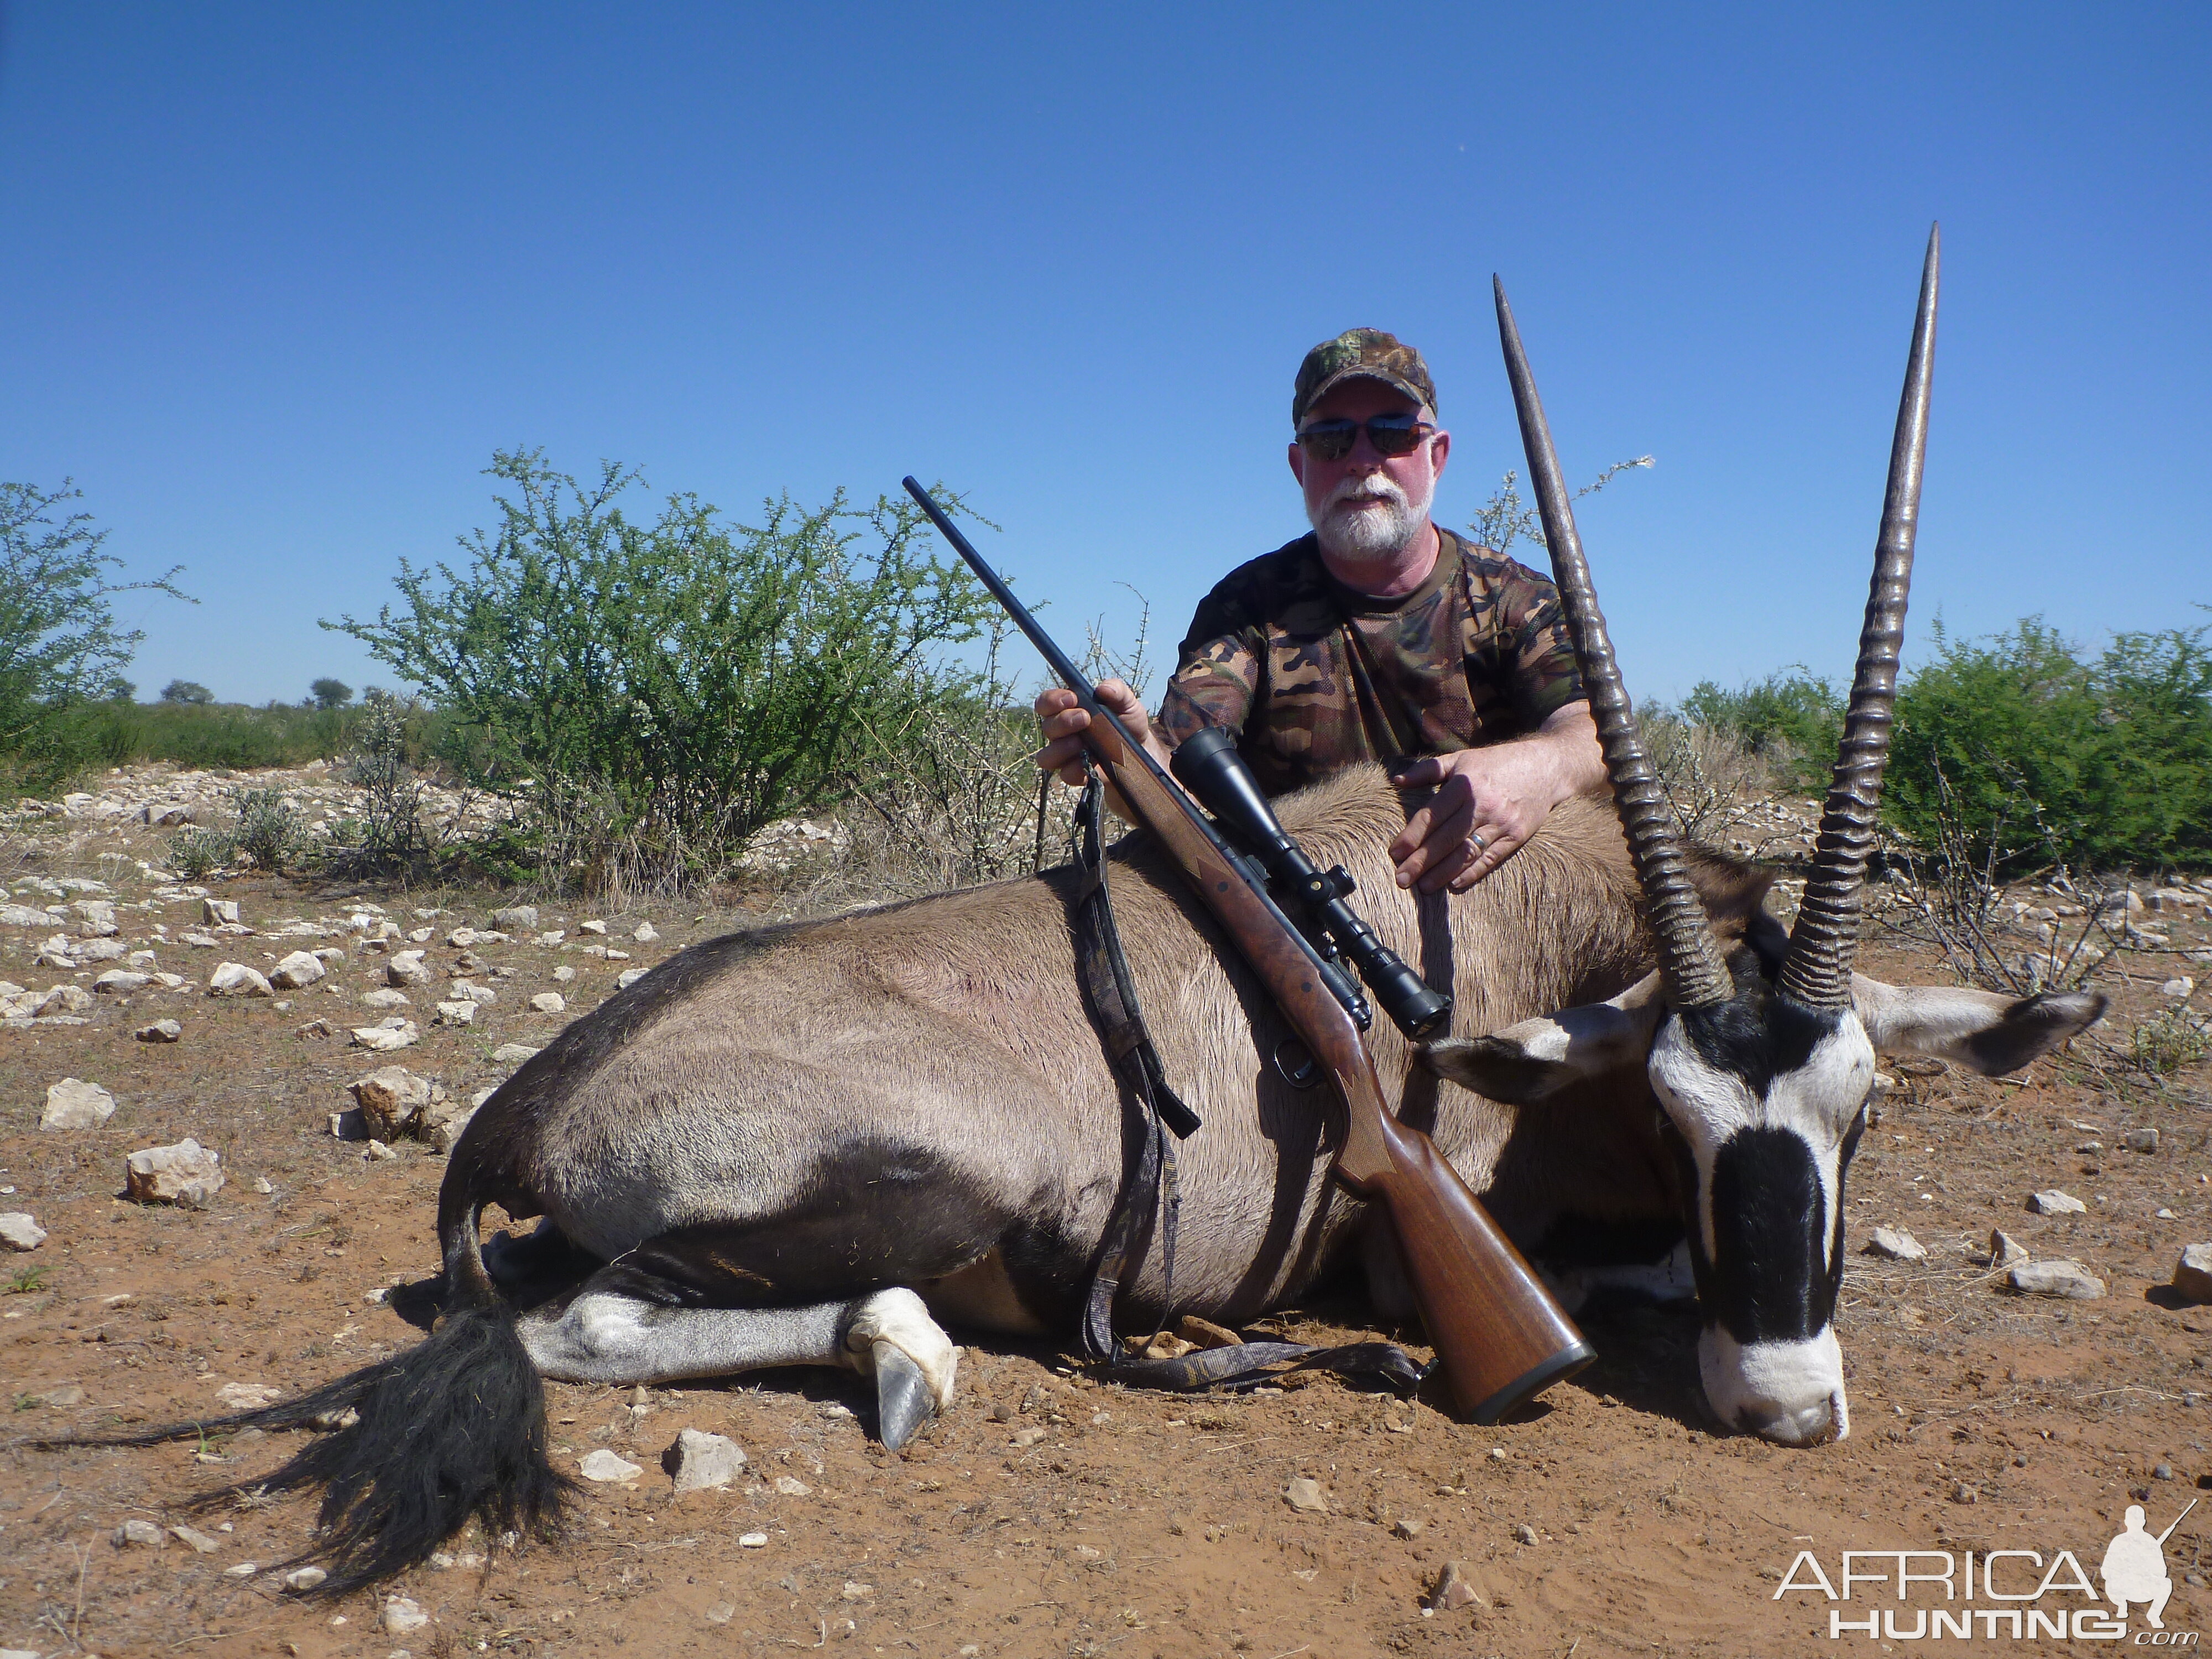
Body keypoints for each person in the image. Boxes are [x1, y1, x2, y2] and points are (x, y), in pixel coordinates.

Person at [1036, 327, 1605, 894]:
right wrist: (1131, 761)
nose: (1362, 460)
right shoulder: (1246, 606)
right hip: (1306, 912)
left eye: (1392, 434)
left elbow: (1596, 737)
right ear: (1298, 464)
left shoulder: (1516, 597)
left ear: (1436, 456)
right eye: (1330, 440)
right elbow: (1183, 784)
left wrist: (1542, 765)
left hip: (1489, 910)